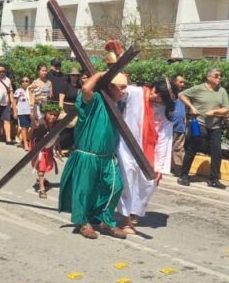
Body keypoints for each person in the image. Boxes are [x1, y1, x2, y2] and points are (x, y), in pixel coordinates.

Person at [58, 71, 130, 240]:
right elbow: (86, 88)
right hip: (87, 155)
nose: (123, 92)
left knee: (115, 187)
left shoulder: (117, 105)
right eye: (120, 88)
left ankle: (105, 220)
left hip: (108, 157)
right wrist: (101, 74)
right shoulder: (95, 100)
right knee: (84, 191)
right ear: (110, 87)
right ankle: (83, 222)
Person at [117, 78, 176, 234]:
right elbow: (117, 92)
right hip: (126, 147)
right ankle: (126, 221)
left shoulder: (163, 111)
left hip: (148, 151)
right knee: (127, 181)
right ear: (153, 87)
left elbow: (164, 137)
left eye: (160, 97)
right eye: (155, 92)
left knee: (149, 184)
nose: (154, 96)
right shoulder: (134, 93)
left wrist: (159, 166)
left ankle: (133, 212)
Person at [177, 68, 229, 189]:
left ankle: (214, 179)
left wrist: (215, 111)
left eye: (220, 76)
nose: (219, 78)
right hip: (199, 124)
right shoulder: (199, 88)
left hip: (215, 126)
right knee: (192, 149)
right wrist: (191, 107)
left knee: (217, 153)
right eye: (216, 76)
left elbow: (226, 109)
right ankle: (183, 175)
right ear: (208, 77)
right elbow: (181, 95)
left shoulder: (222, 91)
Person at [32, 104, 62, 199]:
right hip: (38, 146)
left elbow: (56, 136)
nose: (52, 117)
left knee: (46, 165)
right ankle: (42, 189)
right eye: (50, 114)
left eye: (55, 115)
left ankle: (41, 179)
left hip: (48, 146)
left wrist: (59, 148)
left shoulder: (56, 124)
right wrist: (32, 116)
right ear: (46, 113)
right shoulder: (41, 123)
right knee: (41, 166)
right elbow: (34, 125)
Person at [58, 68, 82, 151]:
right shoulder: (65, 85)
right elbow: (61, 99)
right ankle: (61, 147)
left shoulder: (80, 86)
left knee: (74, 130)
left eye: (77, 75)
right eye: (73, 75)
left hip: (75, 109)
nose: (75, 77)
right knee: (65, 130)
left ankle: (70, 148)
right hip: (66, 109)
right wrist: (61, 111)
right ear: (70, 76)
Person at [170, 74, 187, 174]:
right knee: (168, 147)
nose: (182, 84)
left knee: (178, 148)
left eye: (183, 82)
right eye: (180, 82)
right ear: (174, 82)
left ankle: (178, 169)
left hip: (180, 126)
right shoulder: (170, 94)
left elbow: (184, 110)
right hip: (170, 126)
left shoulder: (183, 95)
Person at [14, 76, 33, 150]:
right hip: (21, 111)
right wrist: (15, 112)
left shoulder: (31, 90)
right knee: (24, 127)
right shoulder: (18, 91)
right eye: (23, 81)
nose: (24, 83)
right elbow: (14, 102)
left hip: (30, 111)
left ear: (29, 82)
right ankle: (25, 143)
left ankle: (24, 140)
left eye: (26, 81)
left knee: (28, 127)